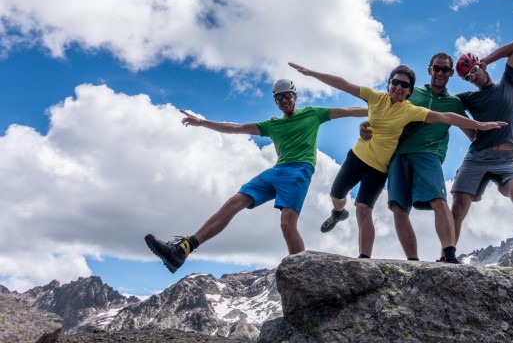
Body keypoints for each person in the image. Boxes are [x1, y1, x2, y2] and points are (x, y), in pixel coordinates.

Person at [144, 79, 367, 273]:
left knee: (287, 224)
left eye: (287, 96)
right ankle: (182, 250)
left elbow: (347, 111)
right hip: (276, 171)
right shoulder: (272, 125)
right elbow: (236, 128)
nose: (283, 101)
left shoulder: (313, 114)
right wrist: (202, 123)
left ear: (295, 96)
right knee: (234, 202)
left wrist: (380, 109)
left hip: (299, 170)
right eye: (278, 98)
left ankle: (304, 273)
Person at [289, 62, 506, 260]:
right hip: (358, 157)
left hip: (381, 168)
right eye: (395, 82)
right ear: (388, 84)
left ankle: (364, 258)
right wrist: (312, 73)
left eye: (404, 85)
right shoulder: (375, 98)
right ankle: (337, 212)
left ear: (410, 91)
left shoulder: (410, 110)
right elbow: (344, 85)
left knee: (363, 209)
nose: (399, 88)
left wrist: (480, 125)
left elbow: (446, 117)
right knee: (337, 194)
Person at [360, 53, 470, 264]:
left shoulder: (454, 103)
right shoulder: (412, 92)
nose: (439, 73)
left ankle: (449, 254)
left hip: (429, 155)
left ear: (451, 73)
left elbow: (472, 134)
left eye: (444, 70)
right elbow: (384, 112)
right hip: (398, 154)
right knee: (398, 207)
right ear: (429, 69)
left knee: (438, 200)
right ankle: (413, 261)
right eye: (436, 68)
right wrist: (365, 125)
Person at [452, 40, 513, 269]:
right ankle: (447, 255)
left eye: (474, 71)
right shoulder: (468, 98)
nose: (473, 77)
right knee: (459, 204)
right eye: (468, 77)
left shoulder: (508, 84)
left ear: (481, 66)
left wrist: (487, 59)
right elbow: (445, 108)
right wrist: (474, 132)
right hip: (477, 157)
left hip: (506, 160)